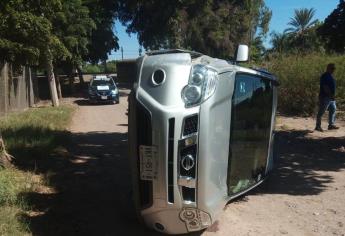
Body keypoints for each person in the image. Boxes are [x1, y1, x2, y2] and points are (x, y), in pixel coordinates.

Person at [315, 63, 339, 132]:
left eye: (334, 69)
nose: (333, 70)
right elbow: (325, 87)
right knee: (321, 111)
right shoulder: (324, 76)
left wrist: (332, 96)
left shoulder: (330, 76)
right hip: (325, 97)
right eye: (332, 68)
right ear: (328, 68)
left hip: (331, 97)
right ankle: (318, 126)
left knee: (333, 109)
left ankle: (331, 125)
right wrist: (330, 95)